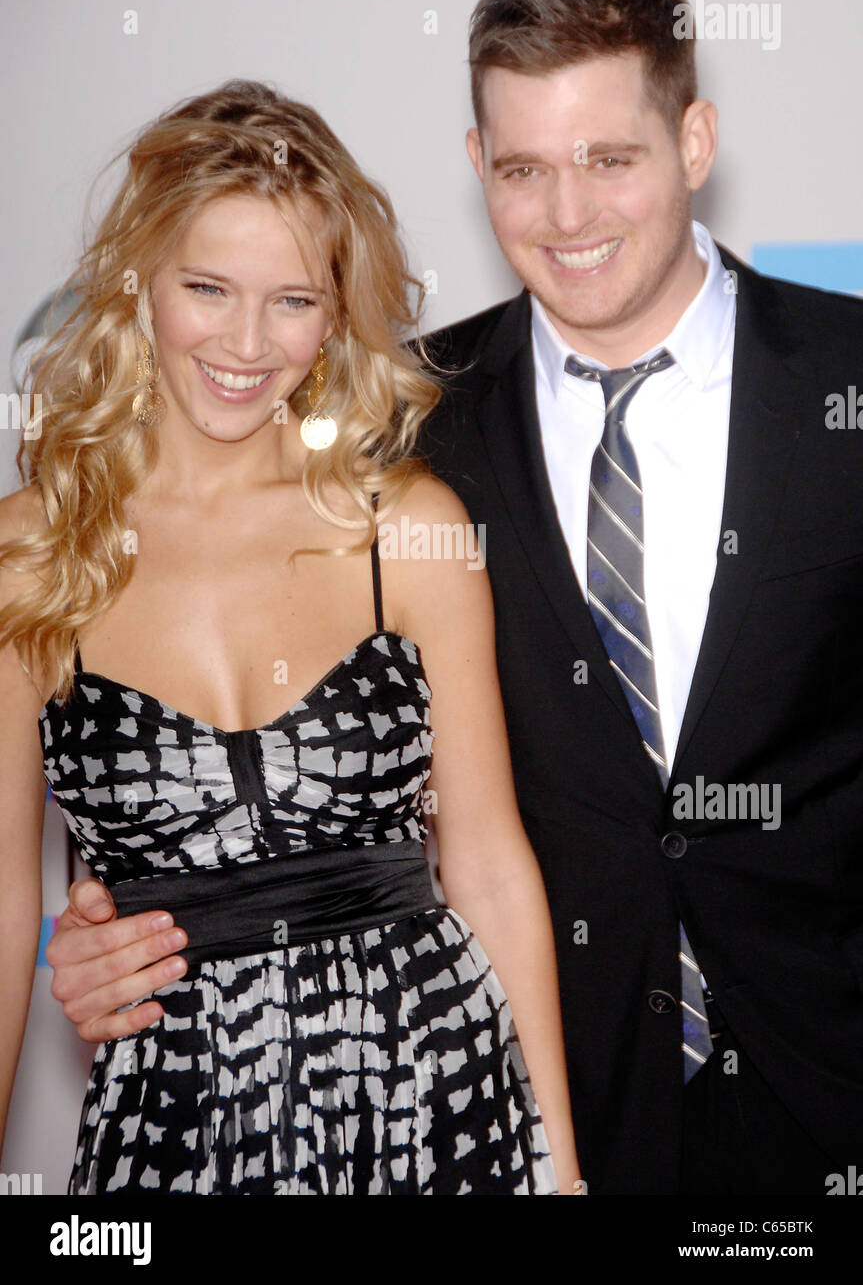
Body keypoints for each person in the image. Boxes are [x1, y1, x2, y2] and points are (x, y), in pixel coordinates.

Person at [45, 0, 863, 1195]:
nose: (568, 214)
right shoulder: (397, 436)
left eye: (609, 159)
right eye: (524, 168)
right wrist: (110, 918)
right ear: (476, 164)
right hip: (525, 1106)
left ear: (693, 142)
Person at [0, 79, 582, 1194]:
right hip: (172, 1123)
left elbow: (490, 865)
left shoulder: (404, 528)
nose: (245, 342)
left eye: (293, 300)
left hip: (435, 1096)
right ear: (139, 289)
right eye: (207, 288)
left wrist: (556, 1172)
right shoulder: (33, 554)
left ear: (335, 311)